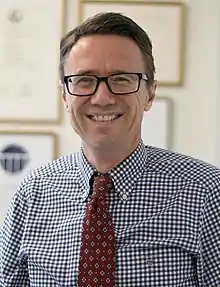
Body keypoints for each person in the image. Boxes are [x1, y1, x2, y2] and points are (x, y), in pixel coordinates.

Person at [0, 12, 220, 287]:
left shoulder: (207, 192)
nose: (102, 98)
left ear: (149, 93)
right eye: (83, 80)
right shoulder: (32, 194)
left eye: (122, 79)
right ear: (65, 97)